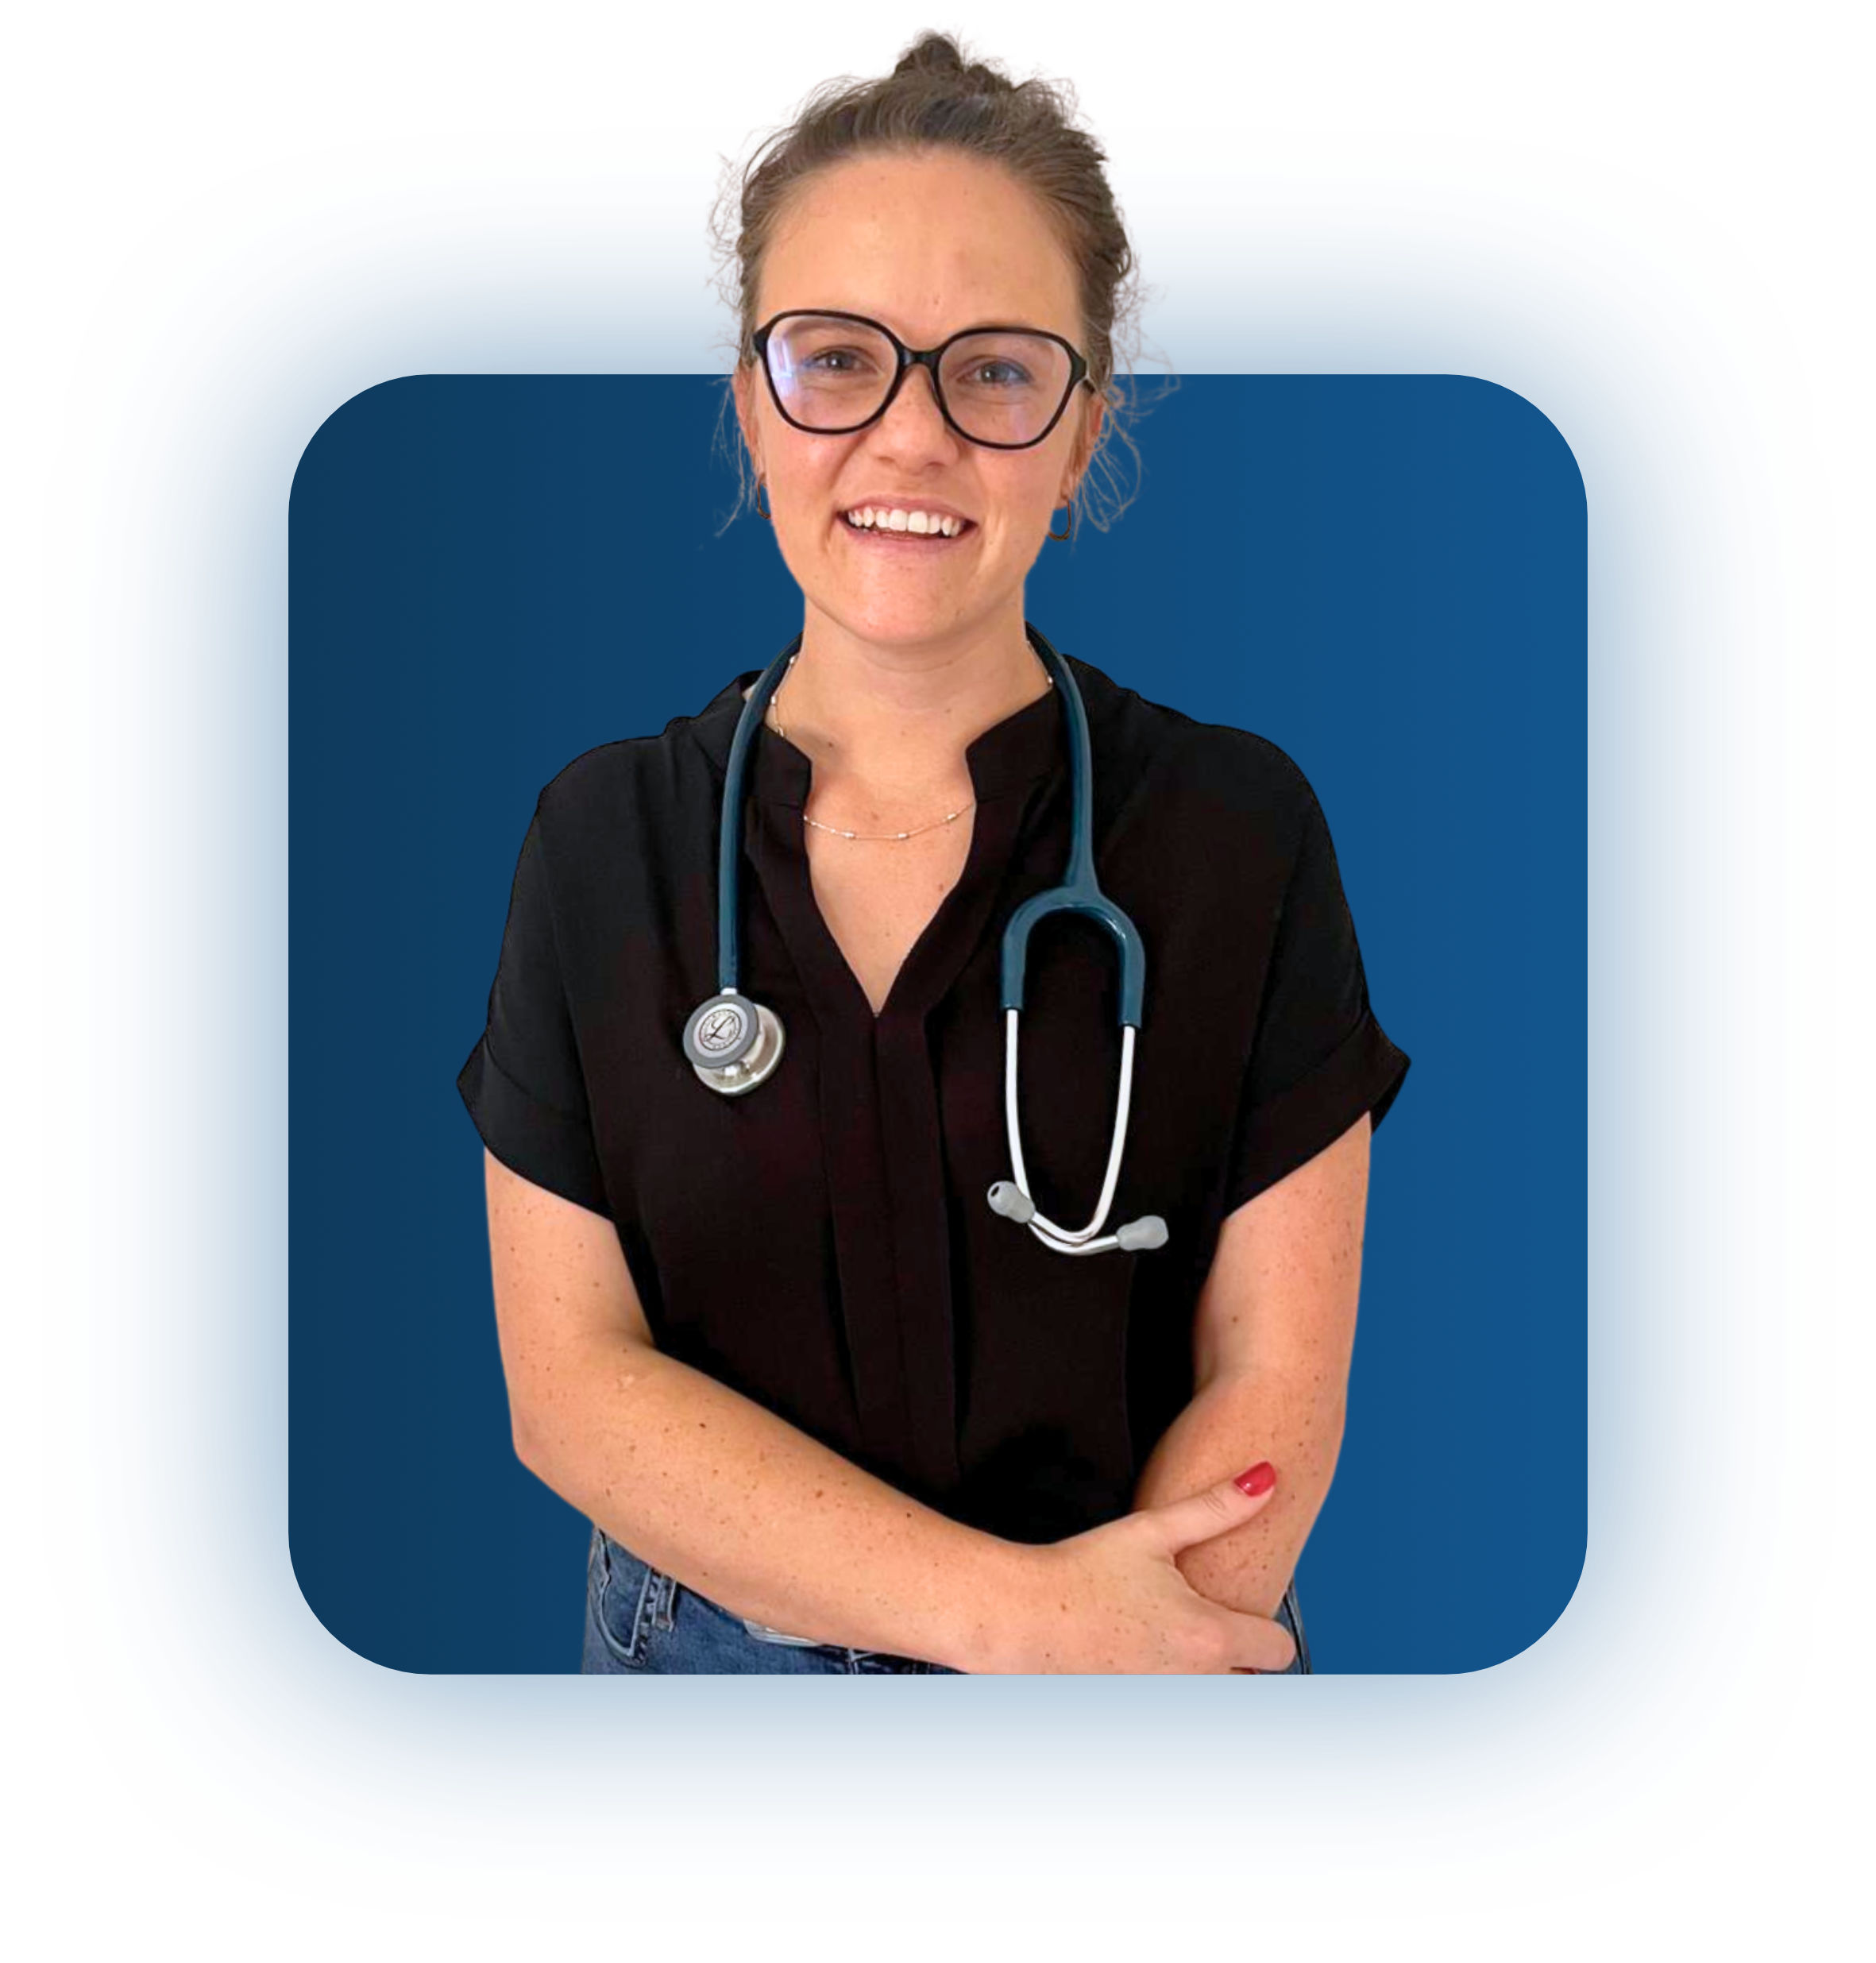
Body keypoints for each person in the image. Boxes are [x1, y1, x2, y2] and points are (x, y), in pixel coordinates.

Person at [457, 32, 1409, 1675]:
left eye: (994, 371)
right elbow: (570, 1389)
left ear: (1081, 429)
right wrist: (1013, 1626)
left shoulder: (1235, 832)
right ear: (752, 406)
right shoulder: (600, 842)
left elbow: (1270, 1376)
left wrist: (1110, 1678)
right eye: (837, 359)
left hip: (1150, 1685)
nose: (908, 438)